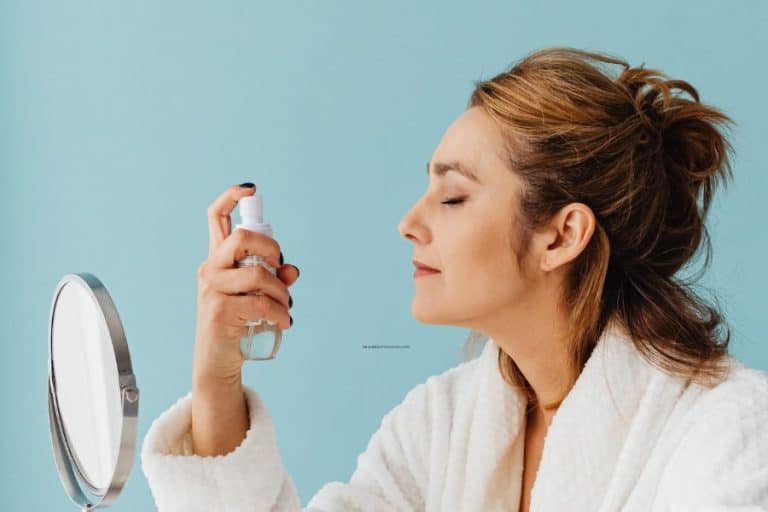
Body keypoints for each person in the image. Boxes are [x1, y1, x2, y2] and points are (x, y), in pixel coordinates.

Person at [141, 47, 768, 511]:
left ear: (560, 235)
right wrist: (217, 375)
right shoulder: (439, 428)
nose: (409, 223)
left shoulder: (730, 431)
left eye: (453, 197)